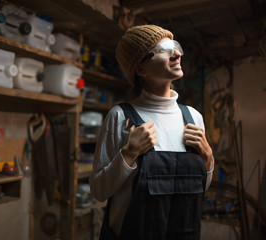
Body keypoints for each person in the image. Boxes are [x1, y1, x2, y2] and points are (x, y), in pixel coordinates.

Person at [89, 25, 214, 239]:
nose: (177, 54)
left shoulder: (193, 117)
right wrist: (128, 154)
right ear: (141, 69)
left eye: (175, 46)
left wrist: (208, 159)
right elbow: (99, 191)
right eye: (164, 50)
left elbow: (201, 188)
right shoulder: (120, 117)